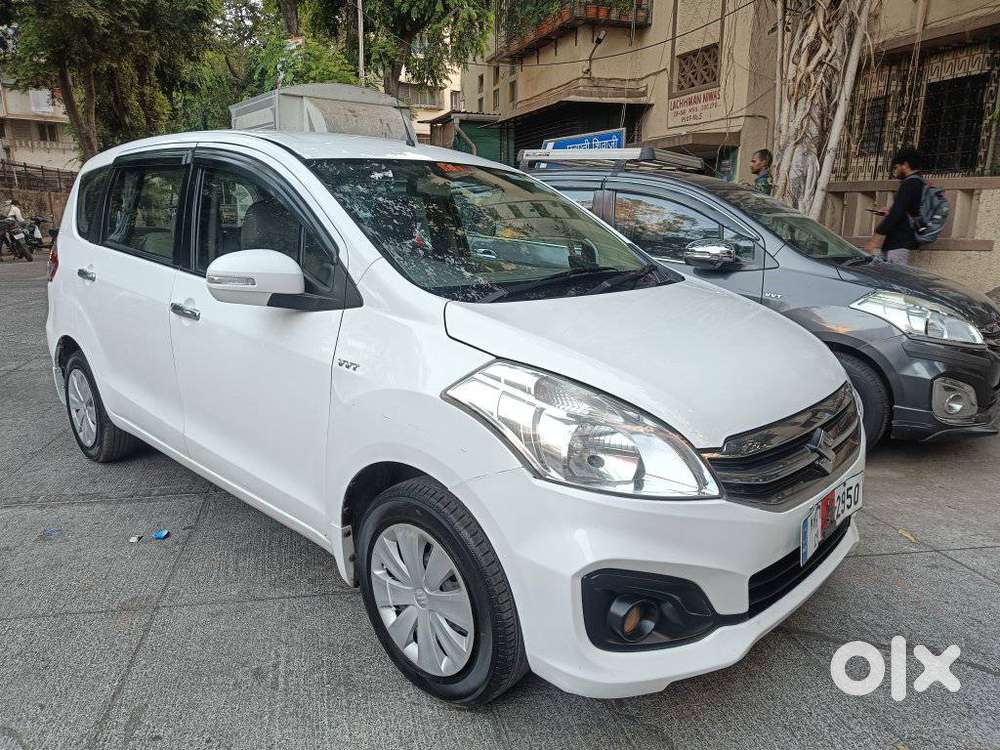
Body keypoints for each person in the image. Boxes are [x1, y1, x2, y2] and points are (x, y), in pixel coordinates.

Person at [864, 146, 924, 264]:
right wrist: (890, 211)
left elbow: (896, 214)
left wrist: (874, 240)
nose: (895, 171)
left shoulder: (910, 184)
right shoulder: (918, 183)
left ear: (905, 165)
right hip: (898, 242)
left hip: (899, 243)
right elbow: (907, 210)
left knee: (895, 278)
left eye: (896, 167)